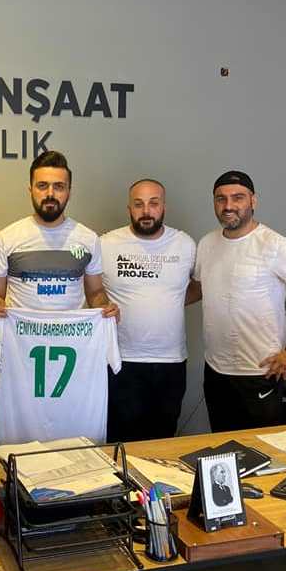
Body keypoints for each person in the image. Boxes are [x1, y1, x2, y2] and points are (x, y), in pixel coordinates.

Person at [192, 170, 286, 432]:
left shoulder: (275, 245)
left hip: (259, 374)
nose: (228, 205)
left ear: (253, 201)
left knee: (260, 452)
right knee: (221, 448)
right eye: (221, 198)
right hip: (216, 370)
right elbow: (200, 289)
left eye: (238, 197)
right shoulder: (206, 243)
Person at [101, 179, 199, 442]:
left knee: (162, 439)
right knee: (120, 439)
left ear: (164, 207)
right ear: (129, 209)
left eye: (153, 203)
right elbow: (91, 289)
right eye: (138, 204)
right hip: (120, 360)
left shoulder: (185, 244)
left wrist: (169, 302)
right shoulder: (106, 244)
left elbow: (199, 286)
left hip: (171, 362)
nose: (146, 211)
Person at [0, 150, 119, 319]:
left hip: (72, 334)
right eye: (42, 186)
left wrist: (106, 308)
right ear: (30, 190)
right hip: (22, 334)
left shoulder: (88, 239)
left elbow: (96, 292)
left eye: (59, 187)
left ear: (69, 192)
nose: (50, 194)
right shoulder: (6, 238)